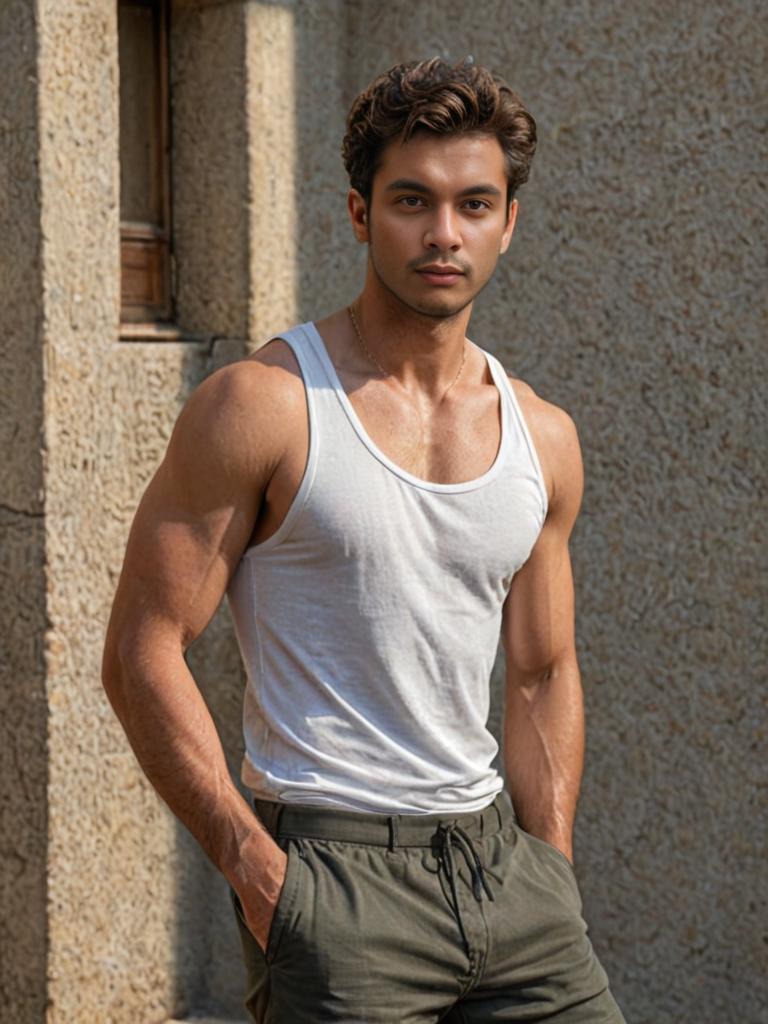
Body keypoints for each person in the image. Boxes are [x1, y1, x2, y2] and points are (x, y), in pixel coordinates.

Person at [102, 57, 625, 1023]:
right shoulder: (265, 407)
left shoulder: (541, 436)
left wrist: (550, 869)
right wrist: (253, 864)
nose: (442, 234)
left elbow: (542, 672)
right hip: (331, 880)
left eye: (474, 205)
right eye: (410, 201)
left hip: (506, 876)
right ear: (357, 213)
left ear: (508, 222)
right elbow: (142, 649)